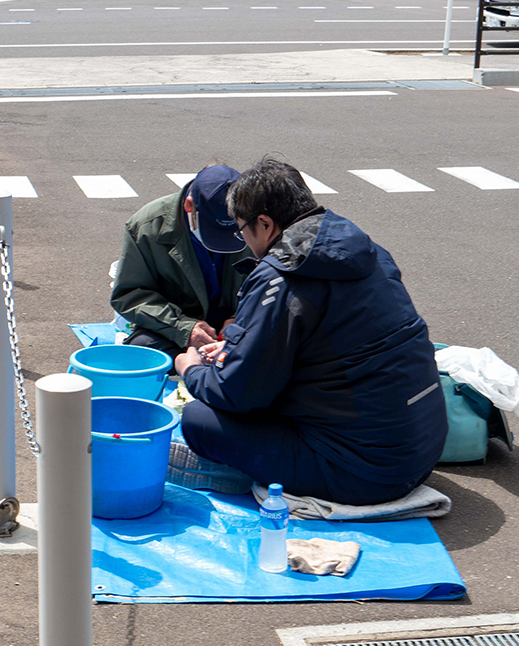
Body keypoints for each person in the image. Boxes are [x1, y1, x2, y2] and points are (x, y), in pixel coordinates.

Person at [174, 158, 446, 507]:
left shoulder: (281, 277)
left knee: (199, 420)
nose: (241, 238)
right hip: (424, 448)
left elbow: (238, 394)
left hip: (363, 474)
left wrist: (191, 368)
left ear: (265, 223)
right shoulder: (370, 251)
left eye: (241, 229)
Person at [111, 165, 254, 361]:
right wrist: (185, 328)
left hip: (235, 327)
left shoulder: (256, 220)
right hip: (176, 326)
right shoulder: (147, 226)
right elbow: (129, 295)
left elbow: (273, 282)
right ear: (189, 205)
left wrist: (241, 319)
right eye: (212, 230)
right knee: (143, 349)